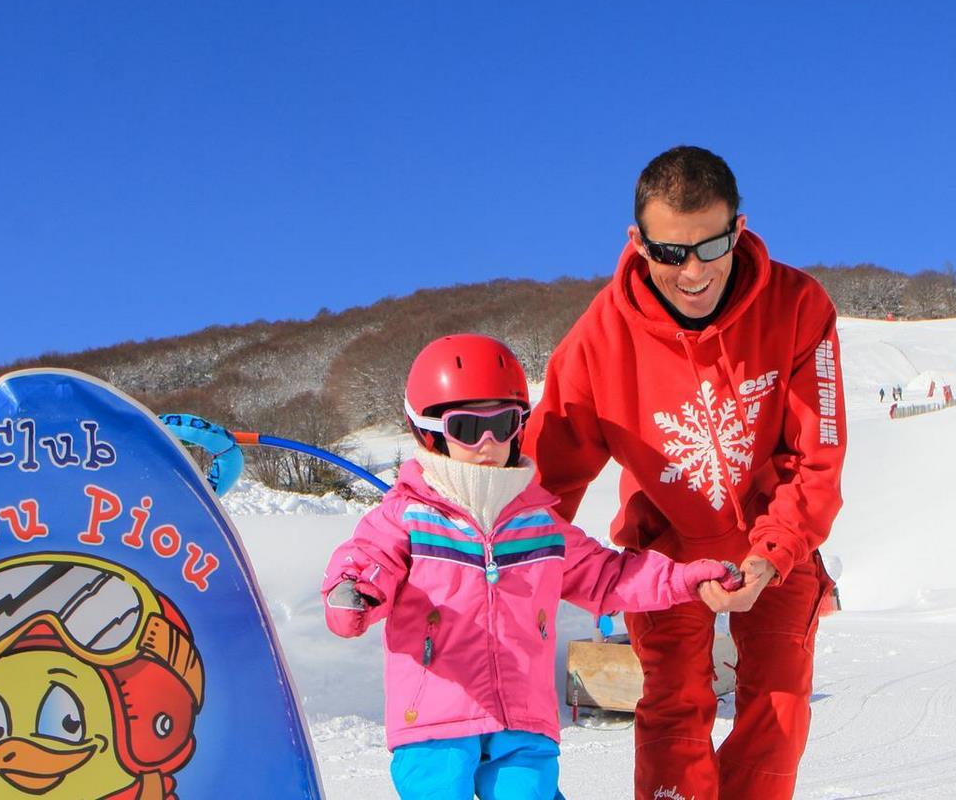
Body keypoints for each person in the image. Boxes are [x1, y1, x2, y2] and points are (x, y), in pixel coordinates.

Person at [526, 146, 847, 799]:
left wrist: (774, 552)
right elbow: (539, 481)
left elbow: (818, 454)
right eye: (671, 252)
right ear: (638, 243)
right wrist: (483, 547)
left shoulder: (797, 306)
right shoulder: (598, 342)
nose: (693, 272)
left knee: (778, 708)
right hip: (668, 551)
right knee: (676, 707)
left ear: (740, 228)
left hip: (776, 540)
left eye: (712, 246)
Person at [322, 333, 742, 800]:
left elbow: (608, 576)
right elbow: (366, 559)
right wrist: (354, 590)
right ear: (429, 431)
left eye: (501, 424)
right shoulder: (408, 517)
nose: (487, 442)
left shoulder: (539, 526)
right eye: (465, 427)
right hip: (435, 719)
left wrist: (683, 578)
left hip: (522, 718)